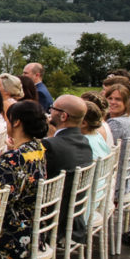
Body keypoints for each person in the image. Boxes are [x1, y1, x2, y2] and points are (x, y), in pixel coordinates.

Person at [0, 101, 48, 259]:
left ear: (16, 122)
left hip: (11, 232)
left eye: (8, 119)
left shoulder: (14, 158)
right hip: (34, 226)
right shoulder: (37, 148)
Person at [44, 94, 94, 239]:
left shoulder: (51, 145)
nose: (49, 112)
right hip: (74, 216)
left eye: (52, 109)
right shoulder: (84, 142)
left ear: (63, 116)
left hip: (52, 219)